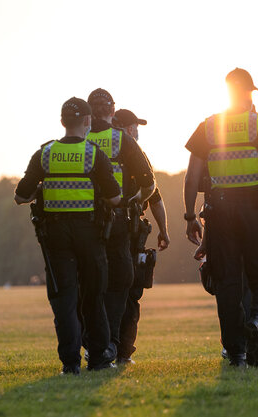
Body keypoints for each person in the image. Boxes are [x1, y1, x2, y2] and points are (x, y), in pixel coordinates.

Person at [183, 68, 258, 367]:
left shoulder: (209, 126)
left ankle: (236, 351)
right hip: (255, 211)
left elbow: (192, 177)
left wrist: (191, 215)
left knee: (228, 283)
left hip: (219, 212)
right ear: (248, 92)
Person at [14, 96, 121, 374]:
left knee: (64, 300)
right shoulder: (94, 154)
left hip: (56, 237)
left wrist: (43, 190)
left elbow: (20, 195)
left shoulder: (44, 154)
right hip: (90, 234)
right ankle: (98, 359)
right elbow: (115, 198)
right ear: (87, 121)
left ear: (62, 122)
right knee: (94, 297)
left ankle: (70, 363)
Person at [82, 89, 156, 366]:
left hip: (82, 223)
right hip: (117, 223)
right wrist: (135, 202)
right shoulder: (121, 139)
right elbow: (149, 182)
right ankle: (110, 345)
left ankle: (90, 345)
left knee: (87, 285)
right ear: (112, 110)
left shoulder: (77, 139)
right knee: (119, 283)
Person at [111, 107, 171, 365]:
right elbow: (153, 196)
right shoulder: (136, 156)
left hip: (97, 231)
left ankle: (100, 348)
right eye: (134, 126)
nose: (137, 131)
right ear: (124, 128)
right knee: (130, 291)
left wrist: (164, 229)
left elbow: (155, 198)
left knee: (100, 289)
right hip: (129, 230)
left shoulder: (94, 151)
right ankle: (122, 351)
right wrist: (164, 232)